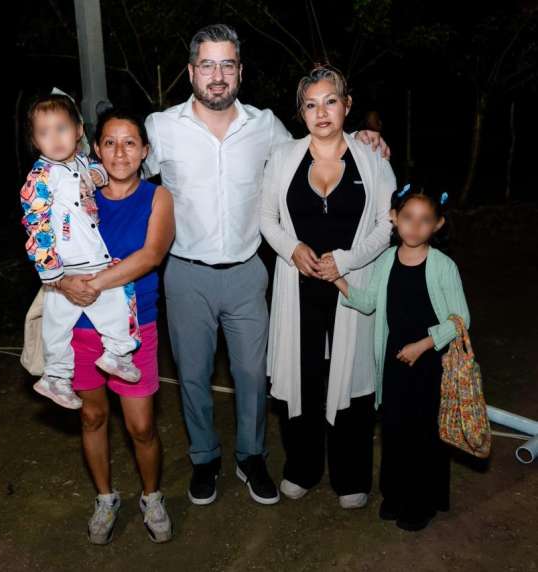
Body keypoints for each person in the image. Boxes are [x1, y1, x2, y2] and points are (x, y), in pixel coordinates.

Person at [145, 24, 389, 506]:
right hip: (185, 272)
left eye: (227, 65)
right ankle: (204, 459)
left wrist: (364, 136)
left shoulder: (267, 127)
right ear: (191, 72)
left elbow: (316, 142)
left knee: (255, 376)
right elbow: (124, 170)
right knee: (192, 376)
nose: (218, 75)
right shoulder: (160, 127)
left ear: (240, 71)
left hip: (247, 272)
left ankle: (251, 456)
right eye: (208, 65)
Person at [260, 65, 396, 509]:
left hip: (351, 287)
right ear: (301, 113)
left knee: (352, 379)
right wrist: (292, 248)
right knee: (301, 378)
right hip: (297, 286)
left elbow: (387, 224)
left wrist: (348, 261)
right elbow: (266, 219)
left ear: (347, 105)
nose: (321, 113)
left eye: (330, 101)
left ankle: (351, 475)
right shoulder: (283, 157)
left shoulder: (372, 158)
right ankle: (301, 467)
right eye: (311, 105)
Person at [56, 110, 176, 543]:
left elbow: (151, 256)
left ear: (145, 151)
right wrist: (62, 282)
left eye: (130, 143)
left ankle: (151, 496)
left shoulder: (157, 198)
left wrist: (93, 283)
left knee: (141, 426)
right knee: (92, 417)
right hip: (82, 325)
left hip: (135, 328)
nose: (120, 152)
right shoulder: (74, 194)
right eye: (110, 142)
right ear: (95, 149)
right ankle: (105, 498)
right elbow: (49, 247)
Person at [334, 186, 469, 531]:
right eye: (408, 217)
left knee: (423, 432)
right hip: (394, 362)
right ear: (394, 218)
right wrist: (338, 280)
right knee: (394, 429)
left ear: (438, 225)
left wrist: (423, 345)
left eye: (425, 220)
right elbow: (368, 303)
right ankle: (394, 495)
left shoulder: (443, 266)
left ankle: (421, 502)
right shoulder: (385, 261)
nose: (415, 226)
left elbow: (460, 320)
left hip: (430, 364)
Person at [20, 93, 141, 410]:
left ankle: (117, 352)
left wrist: (101, 174)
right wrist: (51, 271)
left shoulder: (82, 163)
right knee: (57, 323)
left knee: (114, 300)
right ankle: (56, 376)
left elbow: (97, 173)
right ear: (35, 141)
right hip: (64, 262)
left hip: (94, 254)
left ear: (78, 131)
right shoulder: (41, 176)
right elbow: (35, 224)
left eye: (61, 129)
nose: (54, 138)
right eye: (44, 133)